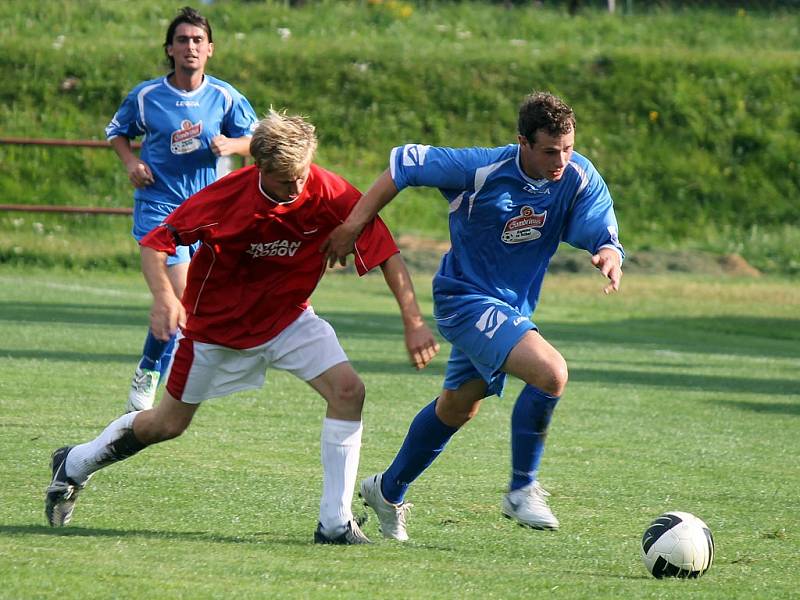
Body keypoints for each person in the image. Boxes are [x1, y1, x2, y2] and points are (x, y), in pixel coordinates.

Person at [45, 110, 440, 544]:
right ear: (259, 168)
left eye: (303, 175)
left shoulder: (328, 191)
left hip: (289, 318)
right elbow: (156, 244)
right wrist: (164, 298)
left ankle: (334, 523)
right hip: (216, 332)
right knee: (167, 424)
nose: (298, 188)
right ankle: (76, 462)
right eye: (287, 180)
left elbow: (386, 253)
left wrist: (415, 322)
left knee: (349, 391)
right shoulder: (224, 199)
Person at [323, 91, 623, 540]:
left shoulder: (576, 176)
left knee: (458, 408)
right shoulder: (481, 168)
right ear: (522, 142)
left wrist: (608, 250)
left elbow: (599, 221)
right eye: (549, 150)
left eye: (568, 147)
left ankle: (387, 490)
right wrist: (353, 224)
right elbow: (405, 164)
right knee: (552, 374)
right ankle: (521, 490)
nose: (561, 159)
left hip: (511, 308)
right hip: (465, 299)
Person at [106, 6, 258, 412]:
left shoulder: (224, 96)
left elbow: (256, 139)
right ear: (169, 49)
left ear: (210, 49)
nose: (190, 47)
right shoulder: (147, 96)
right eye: (182, 40)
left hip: (208, 212)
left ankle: (156, 365)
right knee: (182, 297)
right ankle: (154, 374)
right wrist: (131, 163)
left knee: (194, 305)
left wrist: (233, 145)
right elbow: (118, 132)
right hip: (160, 208)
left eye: (197, 40)